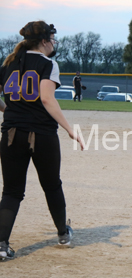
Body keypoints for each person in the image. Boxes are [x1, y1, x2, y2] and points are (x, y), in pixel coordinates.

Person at [0, 21, 84, 260]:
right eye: (52, 39)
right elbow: (47, 99)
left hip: (11, 134)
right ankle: (62, 234)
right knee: (51, 185)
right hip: (42, 135)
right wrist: (69, 128)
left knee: (12, 191)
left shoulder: (8, 63)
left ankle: (1, 244)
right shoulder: (48, 64)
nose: (54, 43)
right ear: (44, 40)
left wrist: (9, 110)